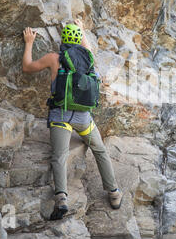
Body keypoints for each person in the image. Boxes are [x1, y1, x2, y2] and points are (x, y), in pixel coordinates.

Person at [22, 19, 123, 220]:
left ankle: (61, 199)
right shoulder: (89, 58)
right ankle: (113, 192)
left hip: (60, 116)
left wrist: (29, 43)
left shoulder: (54, 58)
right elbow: (87, 47)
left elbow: (27, 67)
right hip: (84, 118)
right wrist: (82, 30)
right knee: (100, 150)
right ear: (79, 40)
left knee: (59, 156)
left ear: (62, 40)